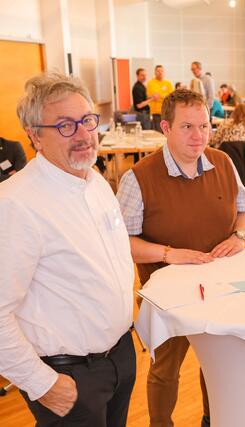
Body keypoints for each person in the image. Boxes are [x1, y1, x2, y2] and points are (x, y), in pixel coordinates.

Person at [1, 72, 136, 426]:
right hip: (69, 374)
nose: (83, 134)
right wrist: (42, 384)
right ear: (34, 135)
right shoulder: (15, 204)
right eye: (65, 125)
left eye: (87, 120)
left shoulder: (95, 182)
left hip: (119, 357)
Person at [116, 89, 245, 427]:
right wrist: (168, 253)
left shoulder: (223, 162)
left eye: (204, 126)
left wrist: (239, 236)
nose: (198, 136)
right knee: (165, 370)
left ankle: (212, 419)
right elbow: (122, 243)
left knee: (216, 363)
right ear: (165, 127)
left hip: (219, 288)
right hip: (168, 296)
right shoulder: (138, 177)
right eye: (187, 127)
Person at [147, 65, 174, 131]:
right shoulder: (151, 83)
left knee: (167, 131)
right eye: (158, 71)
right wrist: (165, 95)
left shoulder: (168, 83)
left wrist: (160, 95)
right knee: (158, 133)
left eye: (162, 71)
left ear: (164, 72)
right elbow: (155, 96)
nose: (160, 72)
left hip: (167, 112)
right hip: (156, 113)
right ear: (155, 72)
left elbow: (171, 97)